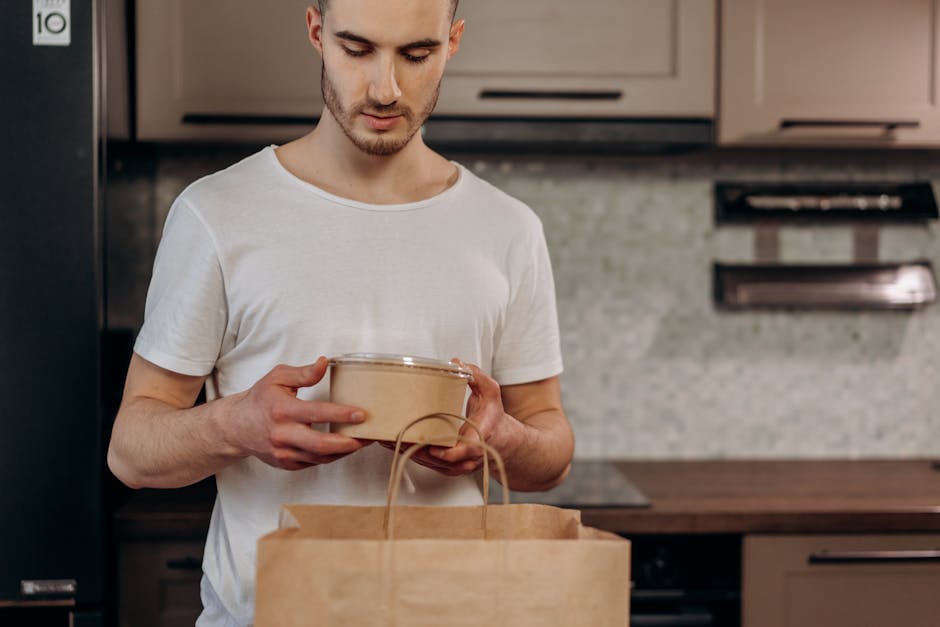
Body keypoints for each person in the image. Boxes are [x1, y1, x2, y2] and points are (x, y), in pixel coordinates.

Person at [107, 0, 574, 624]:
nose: (385, 88)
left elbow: (552, 447)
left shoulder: (508, 229)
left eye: (417, 54)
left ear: (454, 42)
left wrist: (505, 438)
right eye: (357, 50)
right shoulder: (217, 214)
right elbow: (130, 453)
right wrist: (235, 426)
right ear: (315, 30)